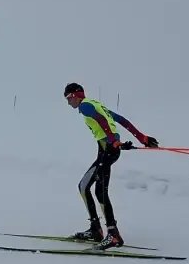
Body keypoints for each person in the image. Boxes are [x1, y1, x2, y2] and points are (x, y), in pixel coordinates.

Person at [63, 83, 159, 248]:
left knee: (85, 186)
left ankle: (111, 234)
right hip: (108, 150)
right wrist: (142, 138)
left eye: (68, 98)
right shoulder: (96, 104)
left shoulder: (85, 105)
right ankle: (97, 230)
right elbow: (121, 120)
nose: (68, 102)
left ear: (75, 95)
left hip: (109, 150)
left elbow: (101, 121)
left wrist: (114, 141)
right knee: (96, 190)